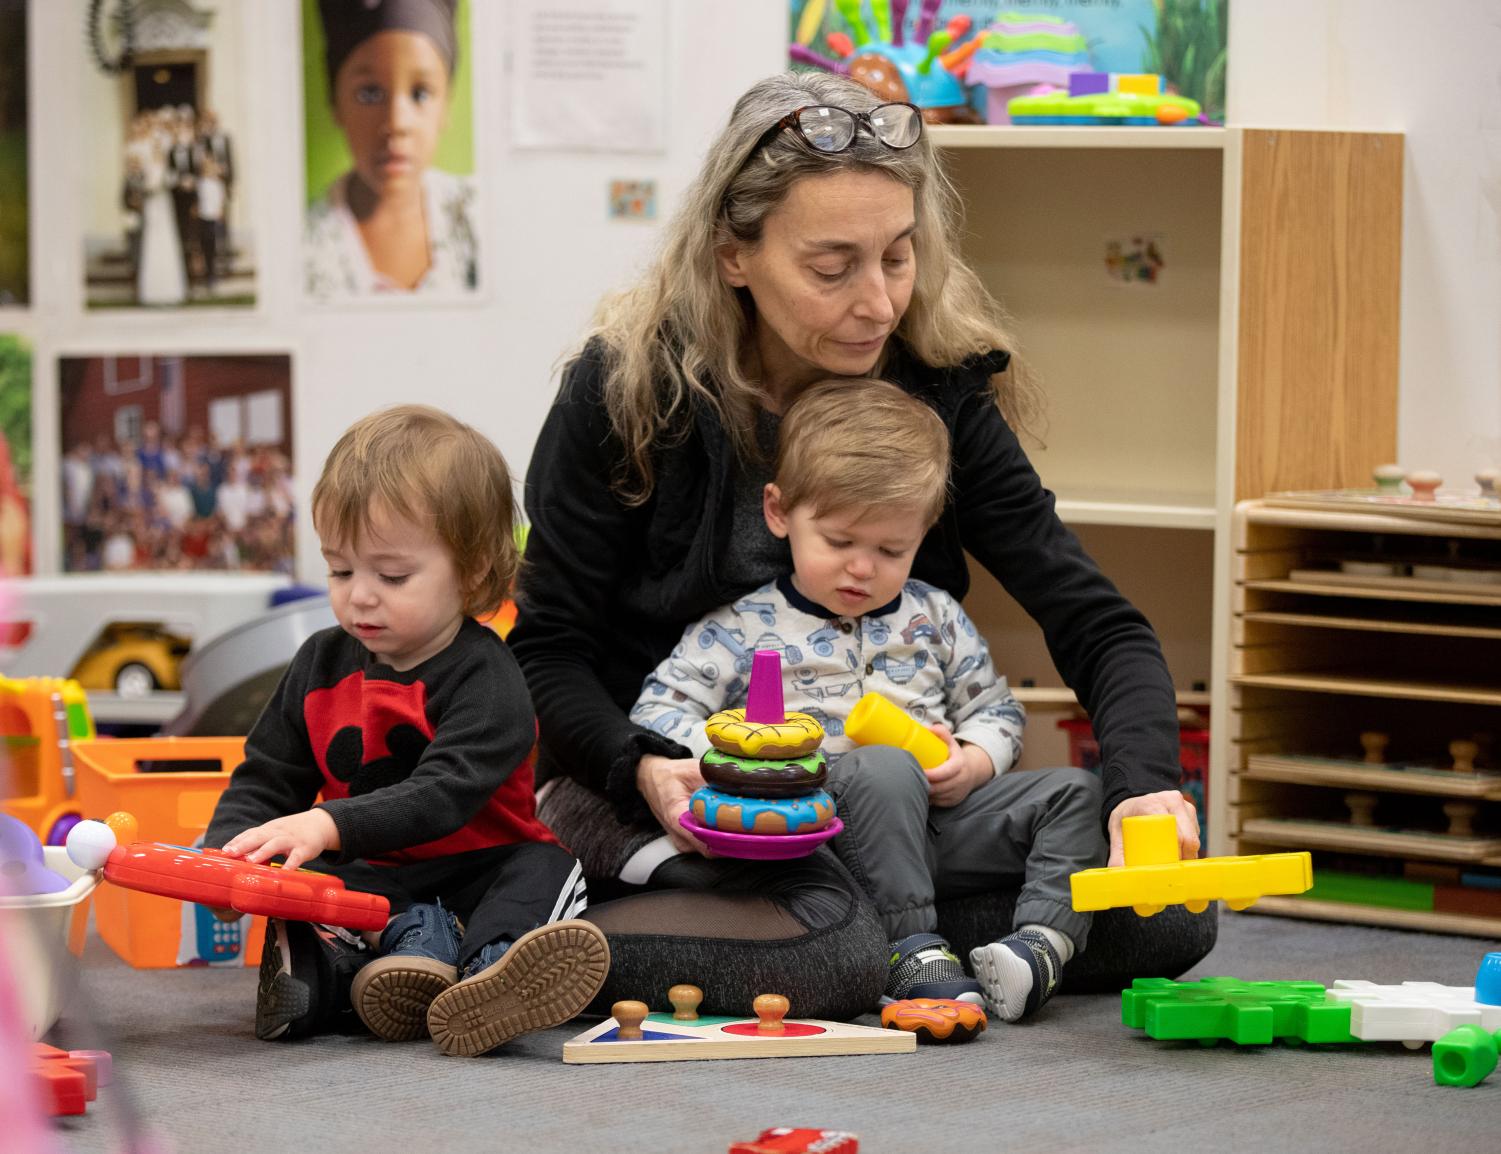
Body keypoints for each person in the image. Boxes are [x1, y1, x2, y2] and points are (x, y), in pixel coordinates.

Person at [510, 70, 1211, 1021]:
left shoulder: (939, 392)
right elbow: (547, 653)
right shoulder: (623, 391)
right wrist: (641, 763)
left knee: (1171, 917)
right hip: (687, 802)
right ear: (732, 255)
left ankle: (894, 938)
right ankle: (527, 942)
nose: (878, 304)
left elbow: (1096, 622)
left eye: (897, 256)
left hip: (888, 811)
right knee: (833, 960)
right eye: (832, 267)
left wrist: (1143, 792)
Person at [630, 378, 1103, 1021]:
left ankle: (1039, 947)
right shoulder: (739, 627)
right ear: (779, 512)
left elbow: (997, 711)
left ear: (924, 532)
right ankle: (911, 948)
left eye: (890, 550)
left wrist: (972, 761)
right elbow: (656, 712)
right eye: (839, 542)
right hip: (826, 836)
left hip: (940, 825)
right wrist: (754, 755)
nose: (862, 569)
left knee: (1079, 790)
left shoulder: (935, 615)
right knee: (883, 766)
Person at [205, 405, 607, 1056]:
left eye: (391, 576)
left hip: (479, 870)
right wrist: (228, 858)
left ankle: (491, 968)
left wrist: (327, 822)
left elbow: (441, 794)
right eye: (340, 570)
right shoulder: (316, 664)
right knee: (306, 887)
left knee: (547, 864)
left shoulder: (489, 676)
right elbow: (267, 776)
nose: (359, 595)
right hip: (374, 879)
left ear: (473, 574)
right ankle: (370, 965)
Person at [304, 0, 479, 298]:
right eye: (370, 93)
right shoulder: (307, 244)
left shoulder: (477, 214)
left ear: (446, 106)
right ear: (336, 102)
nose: (397, 122)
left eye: (420, 93)